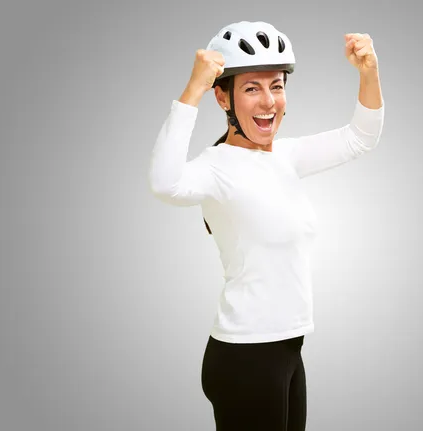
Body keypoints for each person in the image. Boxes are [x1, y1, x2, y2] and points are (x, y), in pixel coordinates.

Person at [148, 20, 384, 431]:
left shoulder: (287, 157)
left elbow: (359, 138)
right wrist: (192, 91)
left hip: (288, 351)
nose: (269, 102)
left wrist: (369, 72)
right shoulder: (215, 167)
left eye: (276, 86)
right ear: (223, 97)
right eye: (252, 88)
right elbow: (164, 182)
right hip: (246, 357)